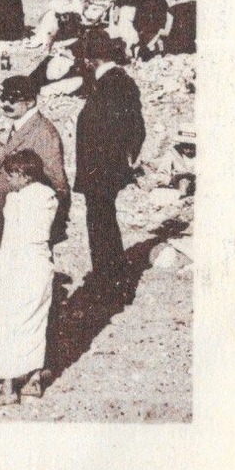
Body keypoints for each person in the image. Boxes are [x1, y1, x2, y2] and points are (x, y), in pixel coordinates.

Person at [0, 150, 59, 408]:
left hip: (20, 265)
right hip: (34, 264)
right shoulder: (47, 197)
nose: (9, 179)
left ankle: (8, 388)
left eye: (12, 174)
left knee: (8, 323)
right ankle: (31, 379)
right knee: (34, 323)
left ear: (24, 175)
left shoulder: (17, 199)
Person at [74, 35, 145, 303]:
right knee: (106, 223)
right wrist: (128, 159)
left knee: (101, 226)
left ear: (90, 60)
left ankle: (110, 283)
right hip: (110, 170)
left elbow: (102, 131)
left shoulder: (106, 85)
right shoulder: (123, 81)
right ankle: (112, 279)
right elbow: (137, 128)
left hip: (99, 171)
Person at [0, 74, 70, 246]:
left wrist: (55, 221)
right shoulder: (21, 124)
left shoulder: (44, 133)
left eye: (12, 99)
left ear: (30, 102)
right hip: (15, 212)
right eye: (3, 98)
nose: (5, 104)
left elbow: (57, 180)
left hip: (30, 217)